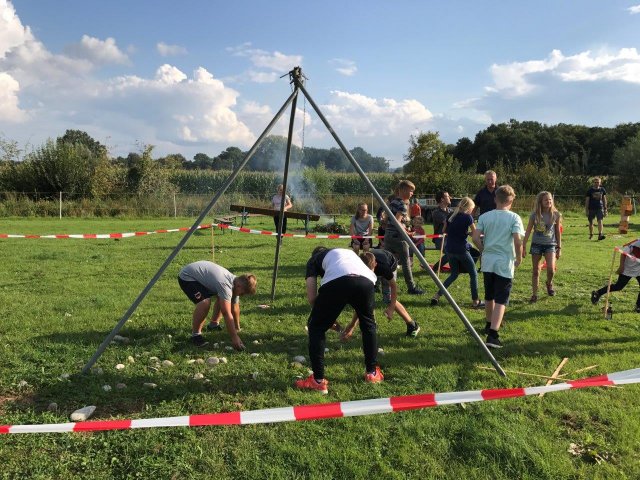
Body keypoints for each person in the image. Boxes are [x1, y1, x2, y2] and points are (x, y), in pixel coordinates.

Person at [296, 247, 382, 394]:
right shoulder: (347, 254)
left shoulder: (314, 260)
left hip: (338, 281)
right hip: (367, 282)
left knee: (316, 327)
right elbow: (353, 280)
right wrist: (330, 315)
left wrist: (325, 317)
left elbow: (312, 298)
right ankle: (372, 373)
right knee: (369, 325)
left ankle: (317, 381)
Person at [471, 185, 524, 349]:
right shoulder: (514, 218)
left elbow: (474, 237)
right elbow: (517, 240)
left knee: (489, 295)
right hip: (504, 262)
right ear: (511, 200)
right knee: (502, 298)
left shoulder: (485, 216)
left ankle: (489, 323)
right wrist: (519, 257)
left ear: (495, 199)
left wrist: (483, 249)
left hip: (488, 260)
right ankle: (493, 334)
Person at [341, 249, 421, 340]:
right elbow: (362, 300)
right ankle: (372, 327)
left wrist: (391, 308)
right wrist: (352, 325)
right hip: (374, 262)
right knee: (366, 298)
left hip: (390, 262)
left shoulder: (384, 268)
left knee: (388, 298)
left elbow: (394, 287)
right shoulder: (357, 268)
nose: (370, 275)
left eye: (371, 272)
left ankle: (412, 325)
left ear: (375, 265)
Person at [178, 261, 257, 349]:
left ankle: (213, 325)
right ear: (239, 286)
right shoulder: (226, 285)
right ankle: (195, 336)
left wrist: (237, 328)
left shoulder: (235, 281)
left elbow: (234, 307)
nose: (241, 296)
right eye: (242, 294)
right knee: (204, 303)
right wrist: (234, 337)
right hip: (187, 276)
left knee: (223, 298)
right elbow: (226, 313)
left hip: (198, 274)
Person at [431, 197, 483, 308]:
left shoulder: (451, 216)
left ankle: (437, 295)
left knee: (454, 274)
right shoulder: (468, 217)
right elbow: (475, 234)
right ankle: (475, 301)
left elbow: (444, 231)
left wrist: (463, 232)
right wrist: (471, 235)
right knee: (473, 274)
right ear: (469, 208)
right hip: (461, 250)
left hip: (450, 250)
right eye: (472, 209)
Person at [384, 180, 424, 295]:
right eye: (411, 191)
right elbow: (397, 222)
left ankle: (384, 287)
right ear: (403, 190)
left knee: (388, 262)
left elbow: (389, 220)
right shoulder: (402, 205)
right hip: (398, 238)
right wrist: (407, 233)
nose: (412, 193)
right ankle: (411, 287)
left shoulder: (392, 202)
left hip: (388, 236)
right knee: (406, 263)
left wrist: (405, 229)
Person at [522, 191, 562, 303]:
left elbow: (558, 232)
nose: (548, 201)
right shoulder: (534, 215)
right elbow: (528, 231)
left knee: (551, 269)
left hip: (550, 244)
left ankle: (549, 283)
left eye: (550, 199)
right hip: (536, 245)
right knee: (536, 271)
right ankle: (534, 294)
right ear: (540, 201)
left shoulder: (556, 214)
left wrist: (559, 247)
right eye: (546, 200)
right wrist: (523, 245)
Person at [591, 240, 640, 312]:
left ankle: (638, 306)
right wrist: (621, 266)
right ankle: (598, 293)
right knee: (618, 286)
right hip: (627, 269)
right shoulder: (636, 244)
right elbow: (623, 254)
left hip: (639, 269)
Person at [431, 191, 452, 272]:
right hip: (440, 240)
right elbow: (449, 223)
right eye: (448, 196)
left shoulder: (450, 211)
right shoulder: (436, 212)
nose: (450, 197)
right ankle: (436, 267)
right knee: (450, 252)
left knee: (468, 246)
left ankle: (461, 267)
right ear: (442, 199)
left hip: (451, 238)